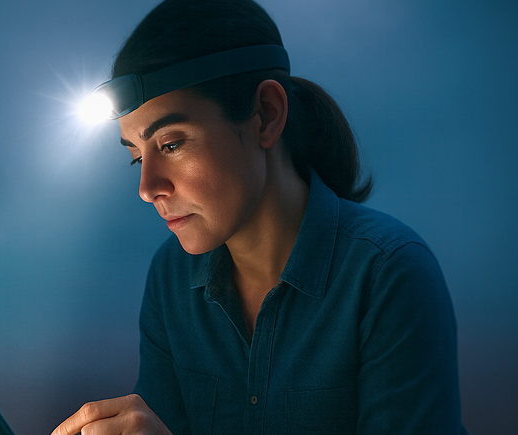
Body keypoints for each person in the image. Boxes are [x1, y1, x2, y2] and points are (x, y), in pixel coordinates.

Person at [51, 0, 469, 434]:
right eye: (138, 157)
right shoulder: (171, 277)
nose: (147, 187)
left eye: (172, 144)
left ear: (266, 115)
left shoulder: (389, 274)